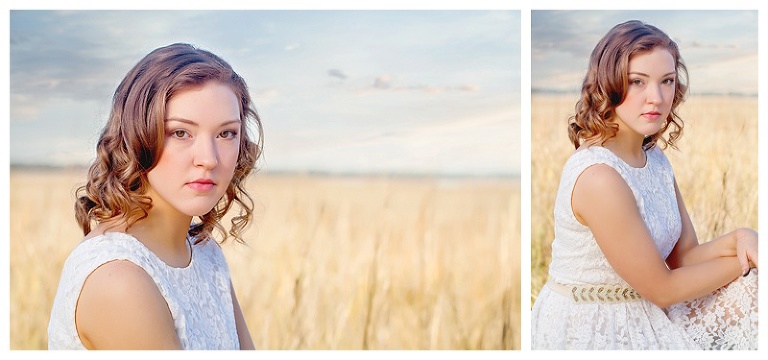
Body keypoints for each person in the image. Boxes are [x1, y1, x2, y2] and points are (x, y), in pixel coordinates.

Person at [530, 20, 758, 350]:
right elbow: (662, 288)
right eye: (638, 82)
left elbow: (686, 257)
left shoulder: (654, 158)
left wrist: (742, 237)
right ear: (609, 84)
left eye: (666, 81)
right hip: (591, 326)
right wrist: (745, 263)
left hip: (643, 310)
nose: (656, 97)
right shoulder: (599, 177)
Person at [48, 43, 262, 350]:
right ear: (137, 134)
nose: (209, 159)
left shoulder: (205, 253)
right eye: (180, 133)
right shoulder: (120, 280)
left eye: (226, 133)